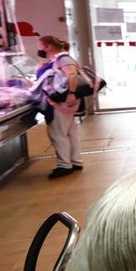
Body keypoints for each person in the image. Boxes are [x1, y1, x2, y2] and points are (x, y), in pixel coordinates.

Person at [34, 35, 83, 178]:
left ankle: (64, 165)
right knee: (69, 132)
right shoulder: (57, 60)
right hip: (64, 100)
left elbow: (72, 75)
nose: (39, 49)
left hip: (61, 101)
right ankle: (75, 161)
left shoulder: (63, 59)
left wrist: (71, 94)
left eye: (40, 45)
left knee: (58, 133)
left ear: (48, 46)